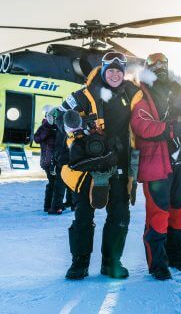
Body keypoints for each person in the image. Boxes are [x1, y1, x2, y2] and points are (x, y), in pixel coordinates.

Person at [57, 51, 138, 280]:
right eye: (110, 70)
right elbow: (60, 116)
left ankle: (111, 262)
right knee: (83, 215)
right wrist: (79, 128)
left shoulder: (131, 93)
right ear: (103, 71)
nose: (114, 75)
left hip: (121, 165)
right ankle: (79, 263)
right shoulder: (84, 94)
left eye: (118, 71)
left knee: (120, 215)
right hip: (89, 166)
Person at [130, 53, 181, 280]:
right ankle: (157, 262)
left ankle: (178, 256)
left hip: (180, 160)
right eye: (154, 64)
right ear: (147, 67)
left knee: (180, 209)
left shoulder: (176, 91)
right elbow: (142, 125)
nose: (159, 67)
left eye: (163, 63)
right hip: (156, 162)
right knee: (158, 212)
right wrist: (173, 130)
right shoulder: (141, 94)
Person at [33, 107, 64, 214]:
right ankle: (49, 205)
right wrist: (48, 131)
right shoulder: (44, 126)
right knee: (53, 183)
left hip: (57, 160)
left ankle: (53, 205)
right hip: (48, 160)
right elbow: (36, 139)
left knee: (56, 183)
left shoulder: (59, 127)